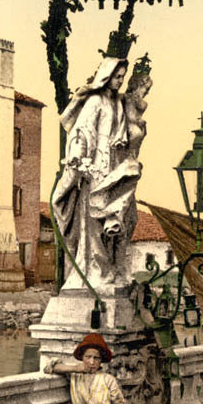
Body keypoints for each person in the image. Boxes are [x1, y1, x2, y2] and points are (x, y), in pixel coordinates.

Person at [52, 57, 140, 291]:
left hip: (115, 165)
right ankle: (97, 272)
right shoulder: (95, 101)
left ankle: (114, 268)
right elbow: (81, 132)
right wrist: (79, 158)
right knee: (95, 223)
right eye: (117, 76)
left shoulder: (118, 102)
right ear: (106, 76)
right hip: (96, 168)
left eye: (122, 77)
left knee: (126, 218)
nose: (120, 81)